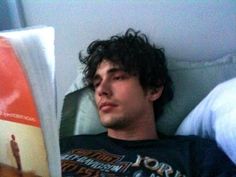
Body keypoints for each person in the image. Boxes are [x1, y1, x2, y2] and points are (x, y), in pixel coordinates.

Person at [60, 29, 236, 177]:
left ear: (153, 90)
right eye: (97, 83)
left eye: (118, 77)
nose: (101, 90)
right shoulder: (65, 146)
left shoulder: (197, 155)